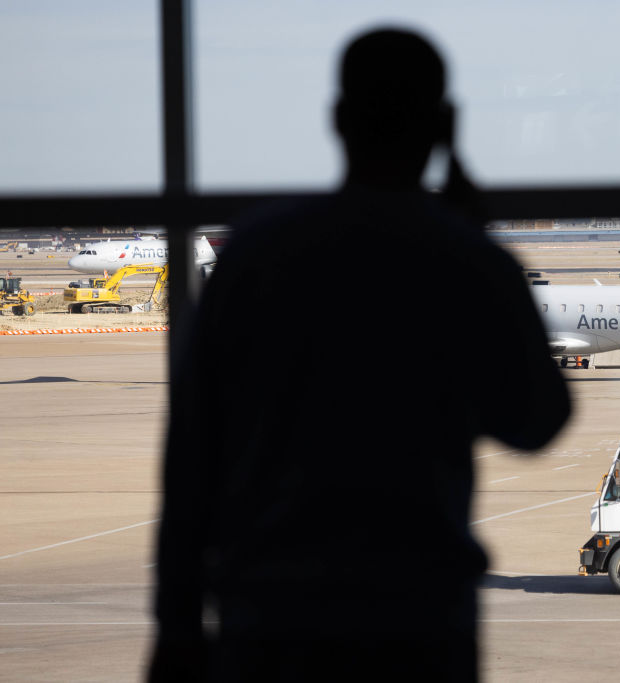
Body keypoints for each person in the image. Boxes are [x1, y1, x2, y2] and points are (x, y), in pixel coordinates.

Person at [148, 28, 570, 682]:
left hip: (271, 615)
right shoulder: (464, 261)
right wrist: (480, 247)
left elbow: (190, 459)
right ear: (444, 126)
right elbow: (537, 420)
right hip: (419, 618)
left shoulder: (255, 255)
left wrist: (176, 627)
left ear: (338, 120)